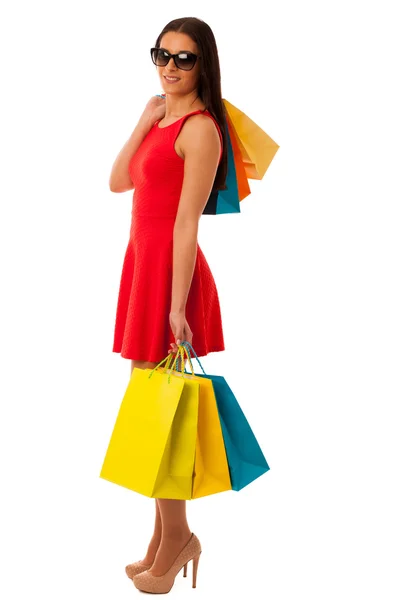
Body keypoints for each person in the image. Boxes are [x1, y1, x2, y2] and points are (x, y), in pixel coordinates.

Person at [108, 16, 227, 594]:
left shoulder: (201, 130)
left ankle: (177, 536)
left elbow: (186, 224)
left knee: (164, 419)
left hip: (170, 279)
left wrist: (177, 306)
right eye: (162, 55)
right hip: (143, 270)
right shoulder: (163, 119)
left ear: (204, 64)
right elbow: (116, 181)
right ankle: (162, 541)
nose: (170, 68)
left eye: (184, 58)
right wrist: (143, 119)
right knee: (153, 413)